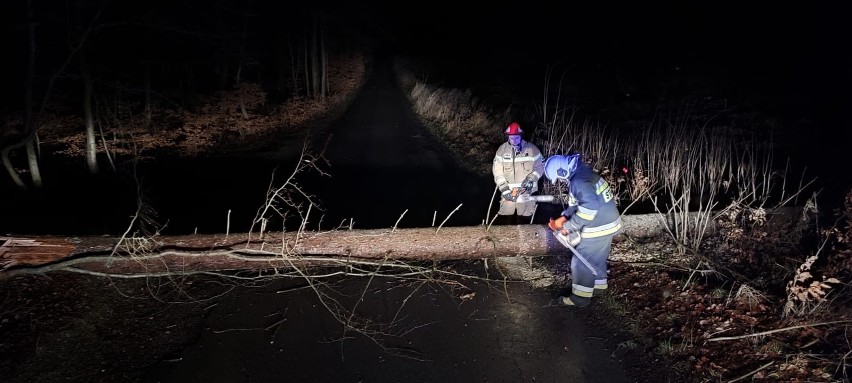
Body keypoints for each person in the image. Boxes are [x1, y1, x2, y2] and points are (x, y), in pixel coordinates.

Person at [544, 153, 623, 307]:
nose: (560, 181)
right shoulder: (583, 173)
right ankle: (599, 287)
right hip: (608, 222)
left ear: (562, 171)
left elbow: (589, 209)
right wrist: (564, 217)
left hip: (598, 225)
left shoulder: (578, 181)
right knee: (596, 257)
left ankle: (580, 298)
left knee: (581, 261)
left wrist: (568, 227)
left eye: (559, 178)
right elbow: (578, 204)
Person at [491, 122, 545, 225]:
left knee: (525, 221)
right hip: (508, 192)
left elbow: (540, 167)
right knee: (505, 220)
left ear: (521, 136)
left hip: (527, 192)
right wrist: (504, 188)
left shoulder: (532, 149)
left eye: (516, 138)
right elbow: (497, 171)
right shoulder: (502, 150)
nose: (514, 141)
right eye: (511, 138)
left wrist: (531, 179)